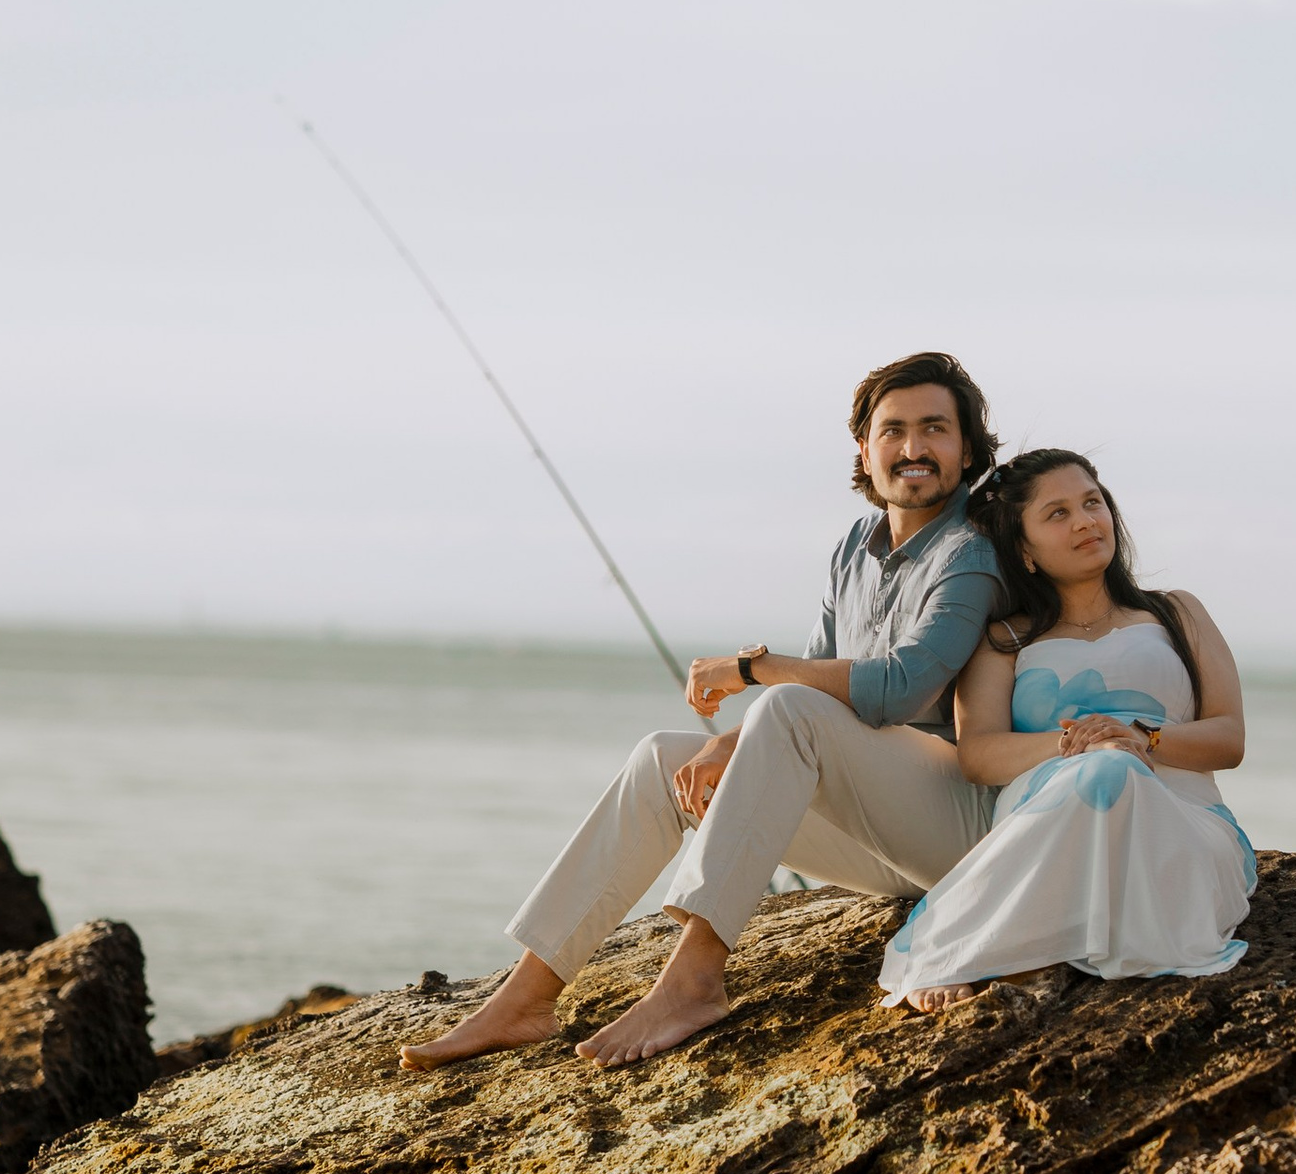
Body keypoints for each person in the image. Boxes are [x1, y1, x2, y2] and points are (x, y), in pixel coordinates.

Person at [403, 351, 1004, 1071]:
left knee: (781, 707)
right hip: (882, 838)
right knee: (667, 757)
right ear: (864, 451)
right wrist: (743, 740)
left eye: (935, 428)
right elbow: (815, 691)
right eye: (894, 430)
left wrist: (752, 672)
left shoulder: (974, 551)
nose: (913, 448)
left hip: (960, 829)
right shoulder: (854, 546)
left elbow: (901, 690)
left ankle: (694, 979)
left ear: (966, 447)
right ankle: (527, 995)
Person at [879, 446, 1253, 1006]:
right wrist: (1070, 744)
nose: (1085, 521)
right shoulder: (1005, 638)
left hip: (1182, 825)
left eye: (1092, 503)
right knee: (1101, 767)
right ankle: (985, 945)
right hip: (1050, 810)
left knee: (1115, 767)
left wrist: (1141, 736)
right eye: (1057, 513)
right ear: (1024, 550)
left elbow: (1229, 738)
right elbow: (977, 754)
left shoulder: (1175, 613)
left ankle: (991, 946)